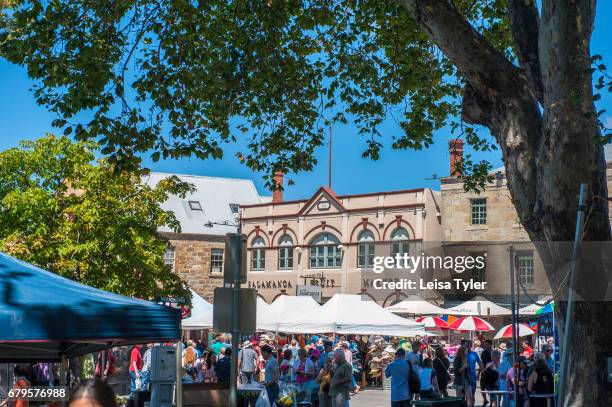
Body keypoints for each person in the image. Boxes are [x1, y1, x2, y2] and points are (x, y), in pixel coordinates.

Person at [465, 340, 483, 407]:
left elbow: (480, 363)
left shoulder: (474, 354)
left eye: (469, 345)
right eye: (466, 345)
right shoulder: (463, 354)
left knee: (472, 394)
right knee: (465, 395)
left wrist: (483, 371)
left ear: (471, 346)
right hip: (464, 376)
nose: (467, 347)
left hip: (472, 376)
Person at [480, 340, 493, 406]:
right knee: (482, 387)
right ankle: (485, 400)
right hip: (484, 372)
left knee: (491, 388)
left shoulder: (493, 352)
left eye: (486, 344)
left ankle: (491, 402)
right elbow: (481, 362)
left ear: (490, 345)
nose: (485, 346)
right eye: (484, 344)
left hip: (491, 372)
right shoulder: (483, 352)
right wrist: (480, 371)